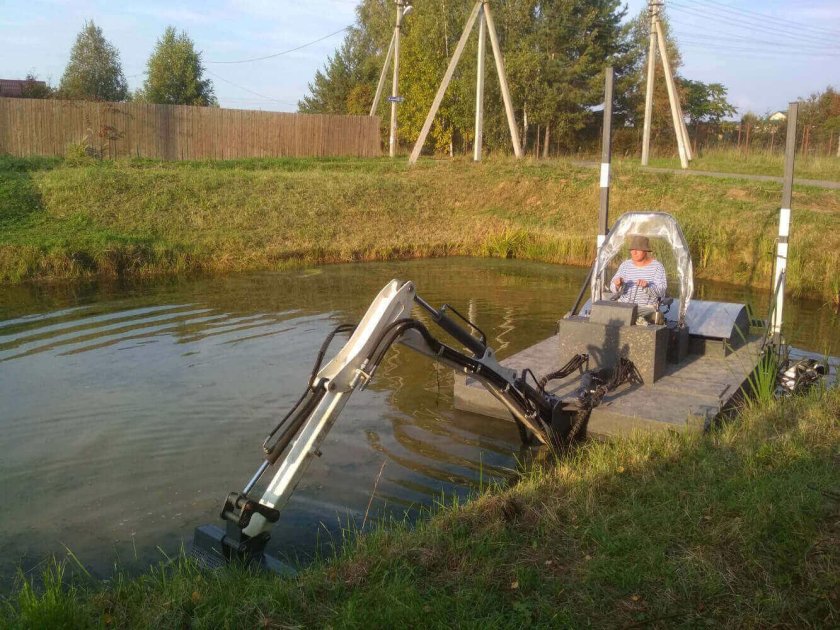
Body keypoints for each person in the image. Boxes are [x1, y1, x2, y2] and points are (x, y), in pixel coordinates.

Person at [610, 234, 667, 307]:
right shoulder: (625, 265)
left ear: (646, 251)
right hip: (624, 306)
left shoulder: (657, 267)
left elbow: (661, 292)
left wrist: (647, 287)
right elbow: (612, 287)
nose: (634, 253)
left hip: (646, 308)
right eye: (632, 250)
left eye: (638, 250)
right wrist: (617, 285)